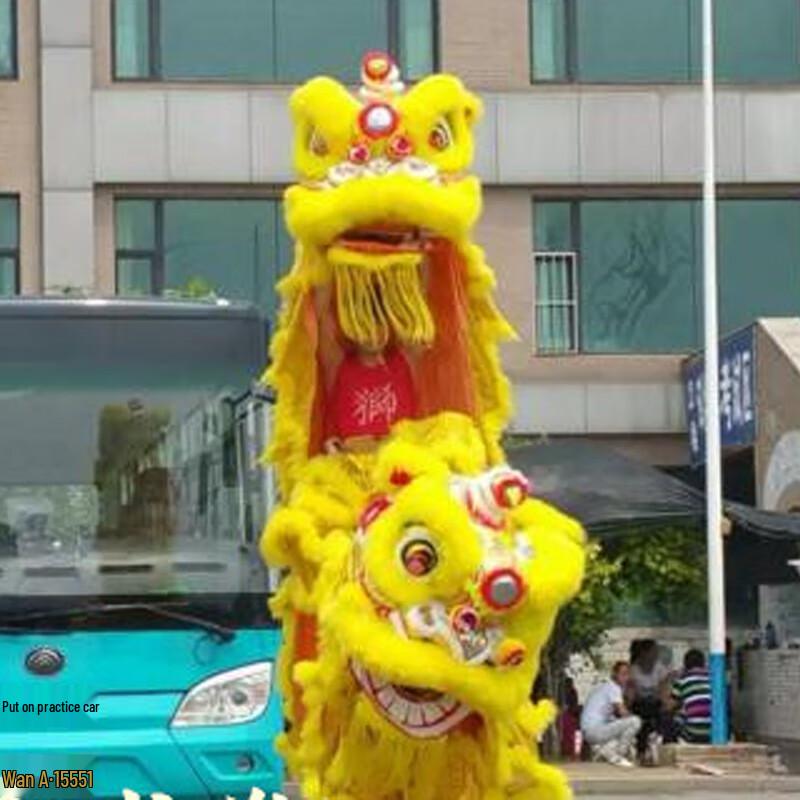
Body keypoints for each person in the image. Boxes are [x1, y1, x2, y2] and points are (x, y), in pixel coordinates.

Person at [581, 662, 642, 768]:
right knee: (635, 721)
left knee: (624, 730)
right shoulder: (614, 688)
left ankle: (603, 752)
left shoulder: (605, 687)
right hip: (595, 730)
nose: (625, 678)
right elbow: (623, 713)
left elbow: (614, 718)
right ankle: (619, 756)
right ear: (614, 674)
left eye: (627, 674)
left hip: (589, 732)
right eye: (622, 674)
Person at [628, 639, 673, 758]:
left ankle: (664, 745)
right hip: (639, 704)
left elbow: (664, 691)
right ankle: (641, 749)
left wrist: (665, 701)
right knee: (641, 716)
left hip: (655, 703)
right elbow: (631, 694)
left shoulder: (660, 669)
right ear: (644, 653)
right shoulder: (633, 670)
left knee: (666, 715)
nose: (655, 655)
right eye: (653, 652)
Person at [669, 649, 712, 744]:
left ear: (685, 664)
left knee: (672, 719)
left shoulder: (682, 679)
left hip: (693, 731)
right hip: (715, 730)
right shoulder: (713, 677)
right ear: (703, 663)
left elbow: (670, 706)